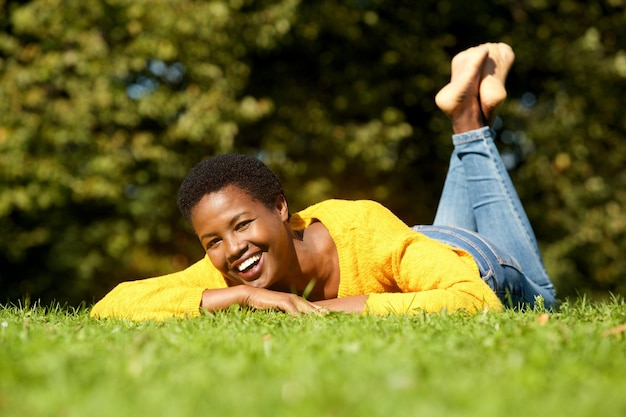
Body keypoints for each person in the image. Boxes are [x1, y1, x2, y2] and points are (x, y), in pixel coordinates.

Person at [90, 43, 556, 321]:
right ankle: (472, 108)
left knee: (544, 300)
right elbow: (111, 306)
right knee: (423, 264)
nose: (232, 249)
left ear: (279, 207)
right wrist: (243, 295)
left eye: (240, 225)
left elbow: (474, 299)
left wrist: (326, 310)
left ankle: (465, 118)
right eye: (212, 241)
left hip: (478, 263)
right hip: (418, 245)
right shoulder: (231, 267)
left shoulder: (361, 230)